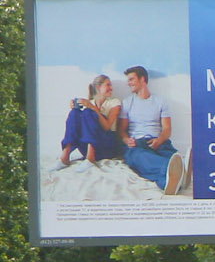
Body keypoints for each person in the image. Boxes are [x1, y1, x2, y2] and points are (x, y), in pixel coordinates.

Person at [120, 65, 186, 195]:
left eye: (132, 79)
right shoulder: (127, 102)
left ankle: (169, 180)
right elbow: (121, 130)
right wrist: (126, 139)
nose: (129, 83)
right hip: (137, 144)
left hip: (159, 142)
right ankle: (175, 172)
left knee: (173, 157)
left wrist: (160, 140)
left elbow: (167, 129)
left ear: (142, 79)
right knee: (141, 157)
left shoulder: (160, 101)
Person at [59, 74, 123, 166]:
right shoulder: (90, 102)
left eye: (111, 85)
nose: (111, 88)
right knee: (75, 113)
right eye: (108, 85)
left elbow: (107, 126)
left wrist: (92, 108)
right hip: (86, 146)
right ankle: (65, 155)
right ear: (98, 87)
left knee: (88, 112)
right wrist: (74, 107)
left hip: (107, 147)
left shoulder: (114, 102)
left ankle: (90, 158)